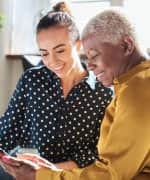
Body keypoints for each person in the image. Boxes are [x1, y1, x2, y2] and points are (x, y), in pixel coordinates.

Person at [1, 8, 150, 180]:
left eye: (94, 55)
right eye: (44, 53)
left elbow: (110, 172)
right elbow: (7, 131)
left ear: (126, 46)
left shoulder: (125, 91)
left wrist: (43, 175)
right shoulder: (33, 79)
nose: (91, 65)